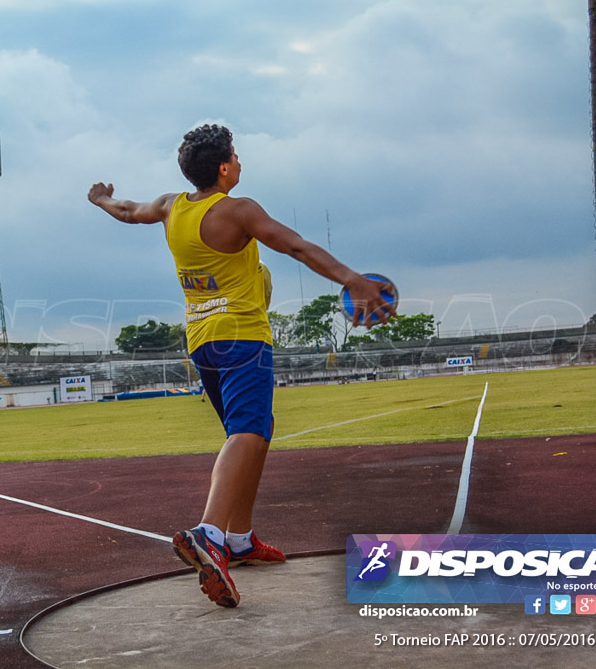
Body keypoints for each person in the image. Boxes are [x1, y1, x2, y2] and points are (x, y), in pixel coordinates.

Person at [88, 123, 394, 607]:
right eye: (237, 154)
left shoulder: (172, 207)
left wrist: (101, 200)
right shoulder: (238, 211)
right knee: (247, 432)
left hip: (203, 341)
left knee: (257, 428)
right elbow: (294, 245)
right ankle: (209, 534)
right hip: (242, 336)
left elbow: (127, 211)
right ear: (226, 167)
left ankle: (239, 539)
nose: (241, 161)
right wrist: (352, 279)